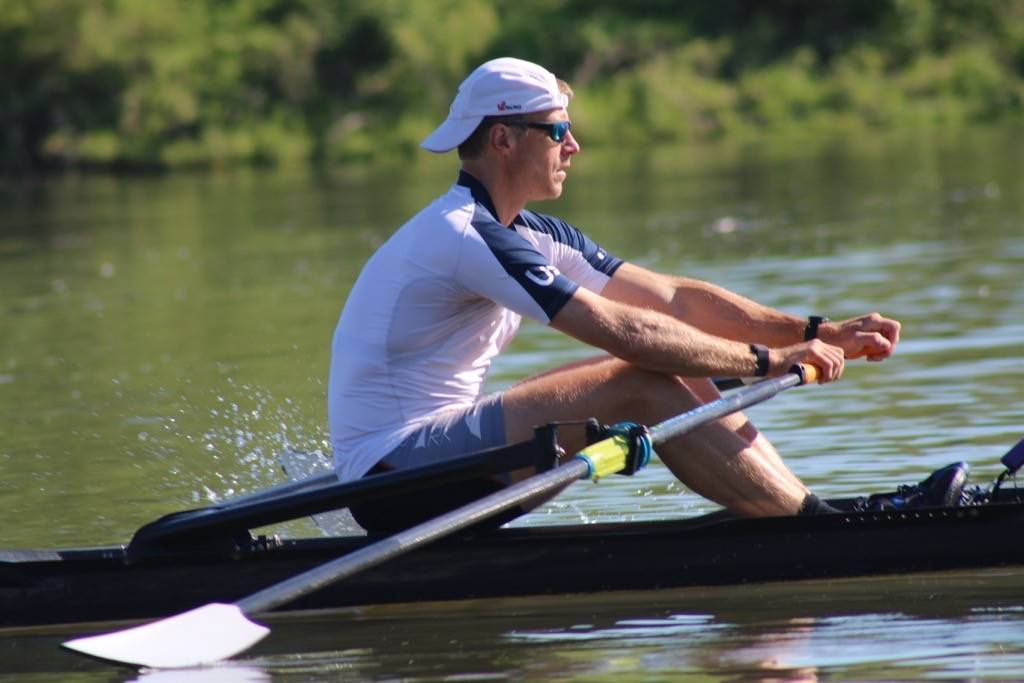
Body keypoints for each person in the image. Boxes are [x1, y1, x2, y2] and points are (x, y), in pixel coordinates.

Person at [327, 57, 954, 533]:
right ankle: (819, 531)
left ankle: (805, 513)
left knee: (679, 364)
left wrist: (812, 333)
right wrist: (766, 362)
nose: (573, 146)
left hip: (436, 455)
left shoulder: (529, 230)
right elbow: (623, 332)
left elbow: (672, 301)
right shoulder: (464, 234)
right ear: (503, 140)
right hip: (393, 477)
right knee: (645, 376)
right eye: (558, 130)